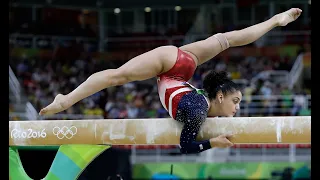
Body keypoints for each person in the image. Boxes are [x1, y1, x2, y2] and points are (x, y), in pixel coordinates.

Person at [39, 8, 302, 154]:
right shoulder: (199, 109)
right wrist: (213, 142)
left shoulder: (201, 106)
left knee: (227, 39)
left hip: (180, 67)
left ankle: (275, 20)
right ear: (219, 97)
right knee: (115, 76)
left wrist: (212, 137)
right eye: (235, 102)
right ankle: (66, 99)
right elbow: (187, 145)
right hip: (172, 67)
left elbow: (189, 138)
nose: (237, 109)